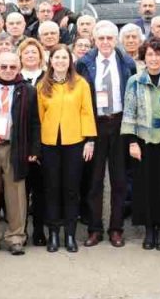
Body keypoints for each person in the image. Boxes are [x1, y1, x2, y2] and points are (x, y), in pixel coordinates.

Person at [75, 21, 137, 247]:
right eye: (101, 38)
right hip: (95, 125)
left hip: (120, 124)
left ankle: (116, 228)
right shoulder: (84, 63)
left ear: (116, 40)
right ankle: (94, 229)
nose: (105, 42)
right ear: (94, 40)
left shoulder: (127, 63)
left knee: (119, 180)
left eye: (110, 38)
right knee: (94, 180)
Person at [0, 51, 41, 255]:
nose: (8, 70)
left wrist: (34, 149)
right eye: (3, 67)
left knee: (16, 194)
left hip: (15, 148)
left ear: (18, 67)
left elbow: (35, 122)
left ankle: (16, 237)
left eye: (13, 67)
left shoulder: (27, 90)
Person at [37, 46, 97, 253]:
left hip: (75, 142)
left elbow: (87, 112)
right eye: (57, 57)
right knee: (52, 189)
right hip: (49, 143)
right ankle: (53, 233)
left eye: (65, 57)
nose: (61, 61)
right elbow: (39, 117)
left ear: (70, 61)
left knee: (71, 189)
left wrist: (90, 140)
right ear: (51, 61)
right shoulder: (42, 85)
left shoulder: (80, 83)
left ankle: (70, 234)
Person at [121, 40, 160, 251]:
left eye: (158, 55)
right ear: (144, 57)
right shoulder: (135, 81)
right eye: (150, 55)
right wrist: (132, 142)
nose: (154, 59)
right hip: (143, 140)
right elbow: (129, 111)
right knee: (144, 186)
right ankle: (149, 230)